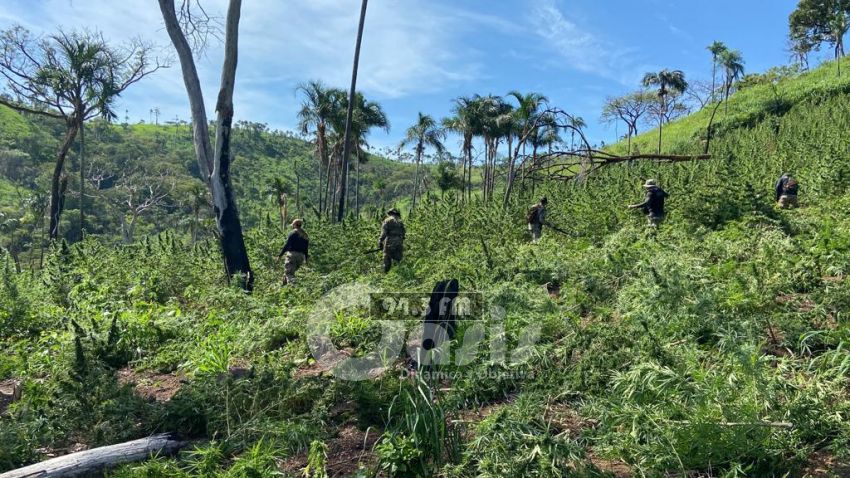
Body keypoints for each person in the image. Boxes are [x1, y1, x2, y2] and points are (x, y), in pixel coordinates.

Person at [276, 218, 309, 285]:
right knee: (288, 272)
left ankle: (293, 287)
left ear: (294, 225)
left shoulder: (293, 233)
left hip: (292, 256)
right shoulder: (305, 235)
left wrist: (280, 255)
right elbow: (306, 249)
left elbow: (287, 245)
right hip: (301, 257)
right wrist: (306, 259)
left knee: (289, 273)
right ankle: (284, 286)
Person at [379, 208, 406, 273]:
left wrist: (380, 241)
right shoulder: (400, 222)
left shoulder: (387, 220)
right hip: (399, 243)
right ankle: (398, 274)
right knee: (397, 260)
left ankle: (386, 274)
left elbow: (384, 233)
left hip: (390, 242)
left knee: (387, 259)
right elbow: (403, 234)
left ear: (390, 213)